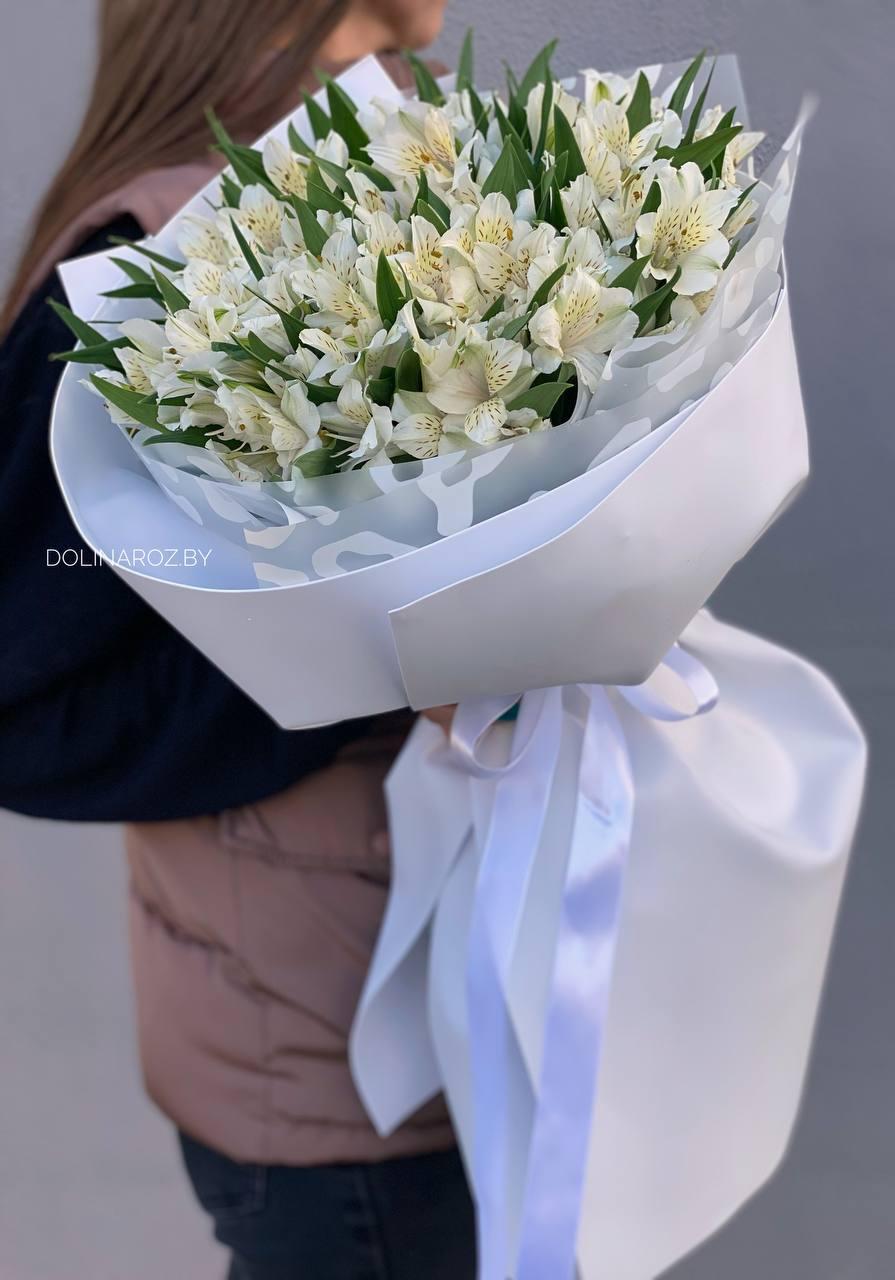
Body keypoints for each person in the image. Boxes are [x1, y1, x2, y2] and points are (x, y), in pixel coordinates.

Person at [0, 2, 473, 1277]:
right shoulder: (159, 253)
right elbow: (15, 699)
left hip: (481, 1000)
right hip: (331, 1067)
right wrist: (374, 668)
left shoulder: (421, 159)